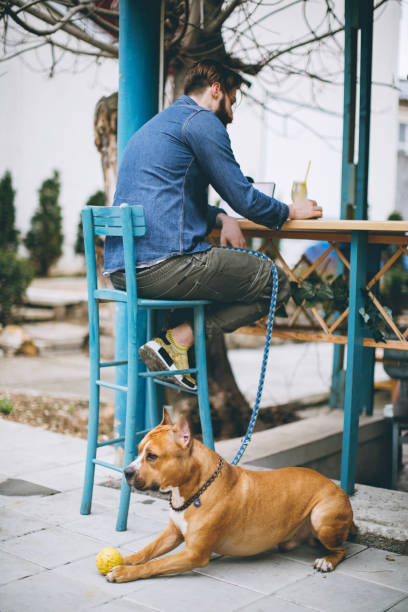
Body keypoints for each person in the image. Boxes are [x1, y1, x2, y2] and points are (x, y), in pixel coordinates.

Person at [104, 59, 322, 390]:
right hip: (164, 266)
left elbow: (169, 201)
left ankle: (175, 343)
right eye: (233, 100)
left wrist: (220, 217)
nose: (232, 113)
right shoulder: (201, 122)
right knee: (276, 282)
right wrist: (290, 210)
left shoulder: (155, 126)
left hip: (124, 271)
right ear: (216, 90)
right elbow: (244, 197)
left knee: (228, 276)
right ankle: (177, 340)